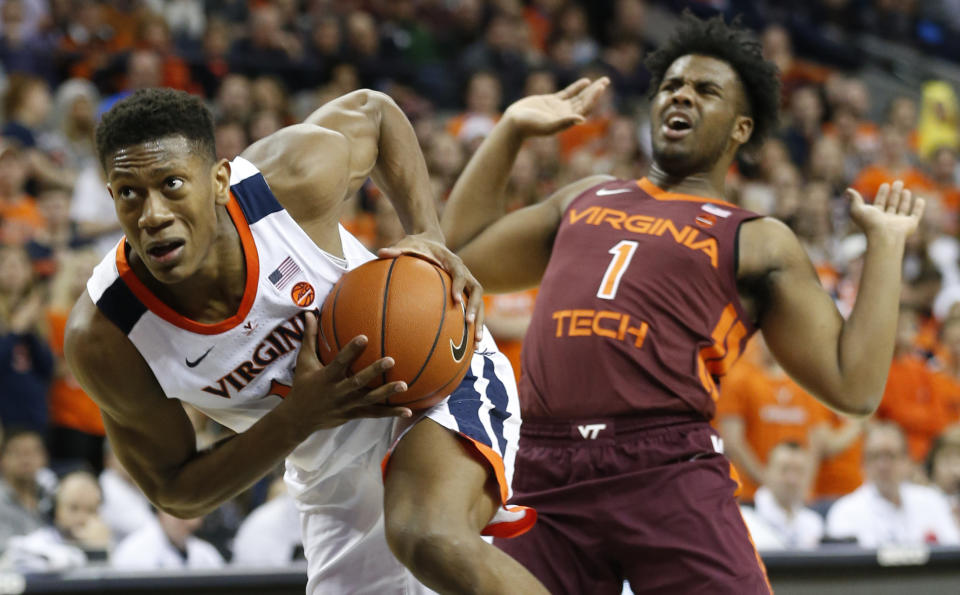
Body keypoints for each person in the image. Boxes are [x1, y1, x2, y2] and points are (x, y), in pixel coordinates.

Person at [441, 13, 925, 594]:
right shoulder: (587, 196)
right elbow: (461, 254)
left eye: (705, 90)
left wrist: (887, 248)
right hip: (548, 467)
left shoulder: (757, 236)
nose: (682, 96)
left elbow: (855, 387)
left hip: (665, 465)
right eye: (672, 85)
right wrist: (512, 129)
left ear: (741, 128)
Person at [64, 87, 544, 594]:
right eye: (128, 193)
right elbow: (177, 490)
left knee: (427, 535)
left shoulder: (288, 181)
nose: (152, 214)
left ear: (220, 181)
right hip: (325, 464)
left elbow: (375, 113)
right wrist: (299, 417)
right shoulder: (107, 337)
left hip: (432, 381)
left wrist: (428, 234)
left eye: (172, 183)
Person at [826, 422, 959, 547]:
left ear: (907, 461)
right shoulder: (845, 512)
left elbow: (953, 553)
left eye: (890, 456)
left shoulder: (931, 501)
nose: (883, 465)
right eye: (875, 456)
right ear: (863, 465)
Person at [2, 470, 111, 572]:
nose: (81, 518)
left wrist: (99, 549)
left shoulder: (109, 544)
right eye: (74, 508)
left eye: (91, 510)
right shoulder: (35, 545)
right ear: (57, 510)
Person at [749, 442, 824, 549]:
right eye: (784, 469)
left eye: (799, 471)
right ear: (767, 471)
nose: (792, 480)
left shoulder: (813, 524)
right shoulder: (743, 521)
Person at [112, 509, 223, 570]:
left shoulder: (205, 552)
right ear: (160, 509)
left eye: (192, 514)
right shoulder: (134, 552)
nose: (189, 522)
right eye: (178, 514)